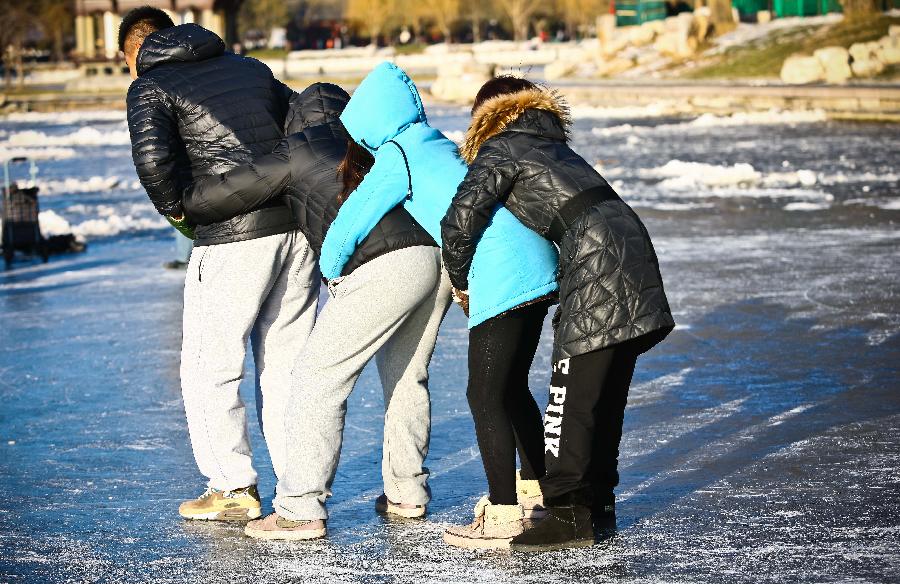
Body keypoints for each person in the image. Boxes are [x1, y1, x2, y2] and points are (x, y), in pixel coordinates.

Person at [181, 82, 449, 541]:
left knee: (317, 380)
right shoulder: (366, 145)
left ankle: (300, 509)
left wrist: (182, 201)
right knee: (407, 376)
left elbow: (226, 193)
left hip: (382, 268)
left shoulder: (296, 148)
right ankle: (407, 491)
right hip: (431, 259)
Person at [317, 62, 561, 549]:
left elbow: (354, 218)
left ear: (369, 121)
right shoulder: (440, 143)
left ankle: (503, 514)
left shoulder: (398, 155)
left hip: (502, 274)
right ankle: (539, 491)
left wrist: (331, 266)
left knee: (484, 395)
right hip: (537, 264)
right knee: (512, 388)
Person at [441, 76, 675, 552]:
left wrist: (461, 282)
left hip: (594, 256)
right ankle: (596, 507)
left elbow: (460, 219)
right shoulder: (548, 143)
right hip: (629, 243)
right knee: (601, 393)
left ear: (485, 116)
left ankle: (568, 514)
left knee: (569, 397)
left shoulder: (501, 146)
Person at [120, 8, 319, 521]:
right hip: (295, 231)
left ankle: (232, 487)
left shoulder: (152, 84)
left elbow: (152, 160)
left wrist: (180, 208)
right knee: (285, 368)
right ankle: (300, 490)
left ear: (135, 49)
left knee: (210, 366)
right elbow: (300, 119)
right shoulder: (249, 68)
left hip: (232, 238)